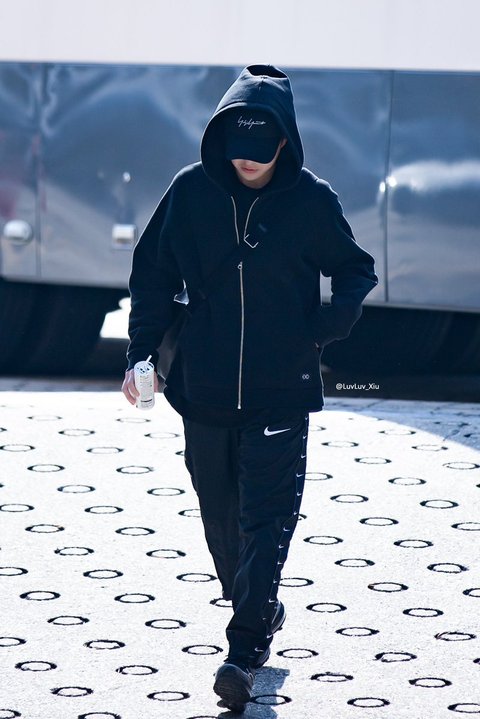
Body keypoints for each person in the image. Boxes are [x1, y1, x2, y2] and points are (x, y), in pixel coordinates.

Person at [122, 64, 378, 712]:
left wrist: (324, 328)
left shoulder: (312, 200)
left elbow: (356, 269)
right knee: (221, 520)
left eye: (260, 150)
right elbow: (152, 276)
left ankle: (243, 652)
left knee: (266, 519)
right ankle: (259, 604)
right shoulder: (189, 192)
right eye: (237, 148)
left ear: (285, 142)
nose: (247, 162)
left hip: (282, 389)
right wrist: (140, 355)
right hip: (203, 388)